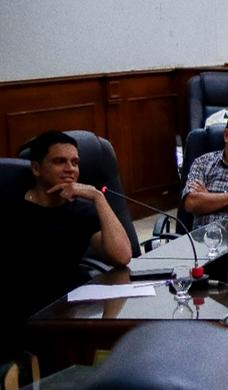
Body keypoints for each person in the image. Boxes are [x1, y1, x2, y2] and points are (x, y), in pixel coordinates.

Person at [3, 131, 133, 332]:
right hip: (23, 313)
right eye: (60, 162)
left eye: (75, 162)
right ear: (36, 168)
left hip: (70, 307)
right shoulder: (11, 209)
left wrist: (98, 197)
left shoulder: (81, 210)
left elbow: (122, 255)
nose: (70, 169)